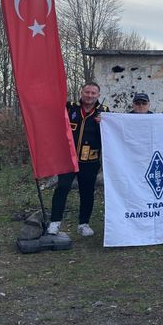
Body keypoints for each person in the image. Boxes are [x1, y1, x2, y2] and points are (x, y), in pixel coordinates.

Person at [46, 82, 110, 237]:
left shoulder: (105, 112)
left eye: (93, 93)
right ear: (81, 92)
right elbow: (47, 107)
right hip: (68, 158)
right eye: (87, 92)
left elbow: (114, 132)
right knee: (62, 187)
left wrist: (105, 123)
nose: (89, 95)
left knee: (87, 192)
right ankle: (55, 223)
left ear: (98, 95)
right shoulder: (70, 107)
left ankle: (83, 224)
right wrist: (26, 97)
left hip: (90, 160)